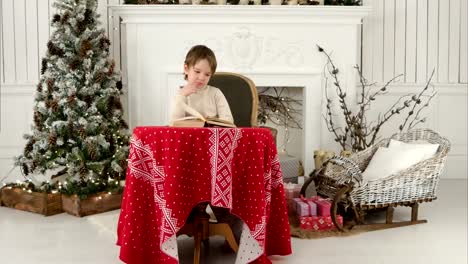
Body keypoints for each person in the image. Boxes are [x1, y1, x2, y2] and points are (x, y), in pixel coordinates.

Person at [169, 45, 234, 124]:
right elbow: (174, 123)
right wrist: (181, 96)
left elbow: (228, 120)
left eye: (207, 74)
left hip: (212, 134)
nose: (202, 78)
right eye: (197, 71)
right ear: (186, 69)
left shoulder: (216, 93)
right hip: (189, 135)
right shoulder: (180, 93)